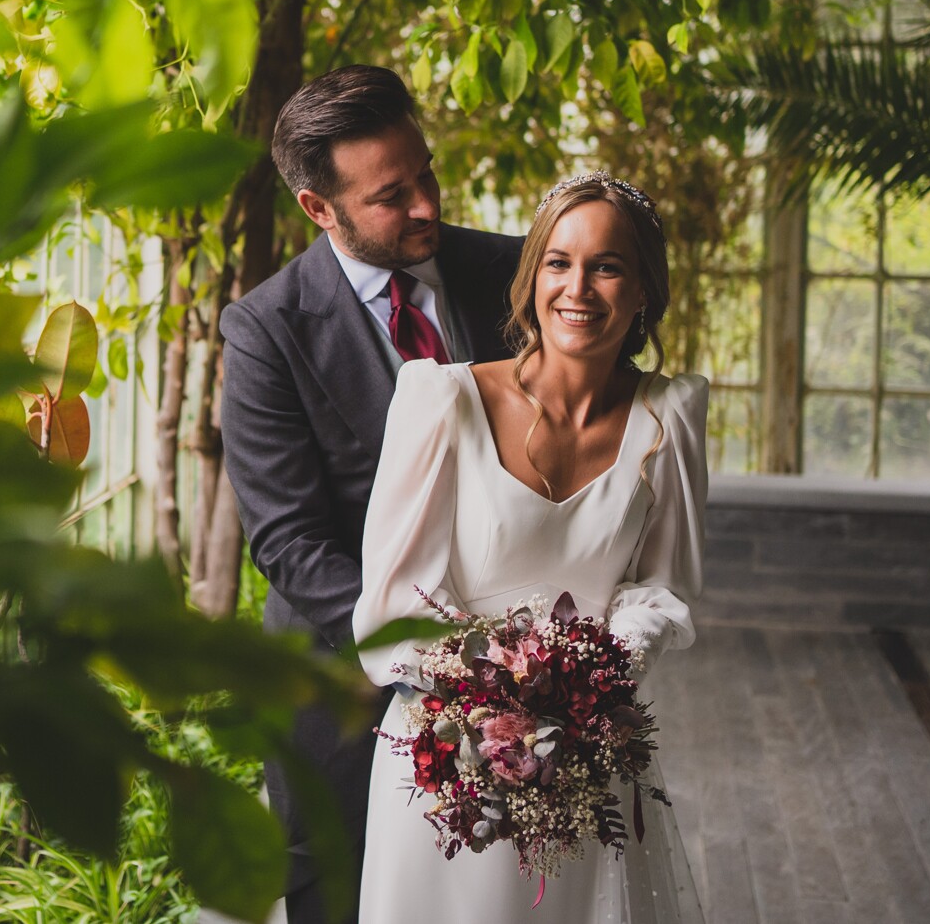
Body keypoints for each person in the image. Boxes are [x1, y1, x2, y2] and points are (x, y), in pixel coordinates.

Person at [352, 172, 710, 923]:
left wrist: (589, 680)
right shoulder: (440, 400)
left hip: (590, 765)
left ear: (643, 289)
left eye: (608, 265)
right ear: (531, 278)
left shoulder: (669, 416)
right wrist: (495, 696)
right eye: (558, 261)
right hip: (447, 766)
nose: (578, 287)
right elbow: (391, 611)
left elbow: (661, 586)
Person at [220, 65, 524, 924]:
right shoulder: (264, 331)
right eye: (394, 194)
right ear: (321, 208)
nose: (428, 202)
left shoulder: (514, 273)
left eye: (426, 172)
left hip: (516, 669)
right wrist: (428, 659)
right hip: (339, 685)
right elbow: (287, 540)